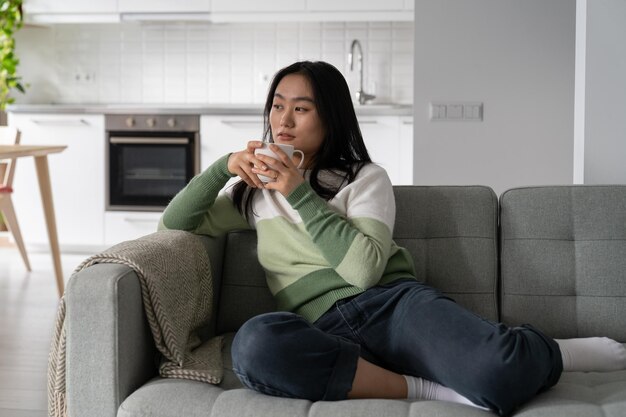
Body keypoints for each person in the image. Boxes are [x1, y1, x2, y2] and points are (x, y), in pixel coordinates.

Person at [159, 61, 626, 416]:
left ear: (331, 118)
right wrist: (222, 166)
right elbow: (175, 225)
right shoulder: (253, 196)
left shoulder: (364, 178)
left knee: (499, 374)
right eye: (278, 105)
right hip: (318, 328)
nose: (284, 120)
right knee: (254, 345)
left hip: (392, 306)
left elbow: (362, 271)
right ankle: (423, 388)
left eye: (301, 108)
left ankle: (556, 350)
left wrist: (299, 194)